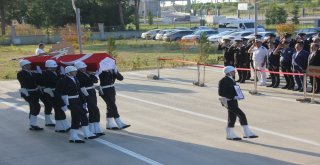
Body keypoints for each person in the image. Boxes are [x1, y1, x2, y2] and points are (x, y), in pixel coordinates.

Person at [55, 66, 97, 143]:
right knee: (82, 114)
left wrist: (84, 101)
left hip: (77, 100)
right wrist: (62, 104)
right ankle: (86, 133)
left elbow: (79, 91)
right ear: (68, 73)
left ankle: (73, 136)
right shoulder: (63, 81)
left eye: (76, 71)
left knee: (76, 118)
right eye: (74, 71)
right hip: (69, 101)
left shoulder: (75, 79)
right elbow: (57, 94)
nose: (76, 72)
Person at [218, 66, 258, 140]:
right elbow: (221, 93)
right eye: (233, 71)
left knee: (232, 117)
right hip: (228, 101)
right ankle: (246, 133)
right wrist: (233, 97)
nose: (234, 72)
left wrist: (238, 95)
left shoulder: (232, 80)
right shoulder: (223, 81)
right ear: (228, 72)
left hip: (233, 101)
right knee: (241, 115)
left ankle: (230, 134)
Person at [74, 61, 105, 136]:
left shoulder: (87, 73)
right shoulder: (78, 75)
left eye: (85, 67)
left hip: (92, 92)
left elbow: (95, 80)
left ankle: (95, 127)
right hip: (86, 93)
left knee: (93, 110)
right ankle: (93, 127)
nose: (85, 68)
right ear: (79, 68)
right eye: (83, 67)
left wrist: (91, 74)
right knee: (94, 109)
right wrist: (91, 75)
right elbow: (85, 82)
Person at [98, 65, 130, 130]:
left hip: (112, 89)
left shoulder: (112, 70)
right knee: (113, 106)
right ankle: (119, 122)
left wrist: (115, 72)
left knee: (110, 106)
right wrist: (105, 70)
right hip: (105, 90)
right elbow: (102, 79)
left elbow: (121, 78)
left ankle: (109, 124)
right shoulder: (101, 71)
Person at [42, 60, 70, 132]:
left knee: (59, 108)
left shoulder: (56, 72)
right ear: (49, 67)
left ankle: (64, 125)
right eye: (53, 67)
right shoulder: (45, 74)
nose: (55, 68)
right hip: (51, 93)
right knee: (57, 109)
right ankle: (59, 127)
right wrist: (62, 77)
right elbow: (54, 81)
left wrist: (63, 75)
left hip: (57, 92)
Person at [17, 60, 43, 131]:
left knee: (32, 107)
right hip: (27, 93)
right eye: (28, 65)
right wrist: (37, 74)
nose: (30, 66)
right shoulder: (20, 73)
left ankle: (32, 125)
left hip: (34, 92)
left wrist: (39, 74)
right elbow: (28, 80)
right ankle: (33, 124)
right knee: (36, 106)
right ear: (24, 66)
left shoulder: (31, 73)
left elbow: (39, 80)